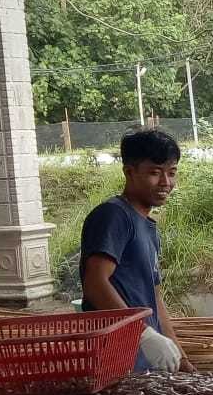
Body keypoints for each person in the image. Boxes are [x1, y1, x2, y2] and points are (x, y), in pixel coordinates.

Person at [80, 128, 192, 373]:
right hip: (115, 360)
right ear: (129, 172)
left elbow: (155, 298)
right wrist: (142, 334)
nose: (166, 182)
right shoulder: (114, 216)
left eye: (171, 173)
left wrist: (182, 360)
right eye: (154, 173)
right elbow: (95, 283)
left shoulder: (147, 225)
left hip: (144, 363)